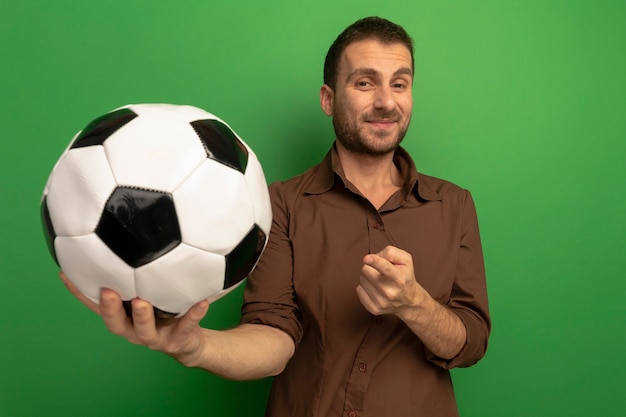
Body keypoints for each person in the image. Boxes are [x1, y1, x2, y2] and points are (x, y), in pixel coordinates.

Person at [61, 16, 490, 417]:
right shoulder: (278, 205)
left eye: (400, 84)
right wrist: (194, 345)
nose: (385, 101)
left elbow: (471, 343)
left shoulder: (453, 205)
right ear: (328, 98)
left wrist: (413, 304)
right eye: (364, 82)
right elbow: (274, 336)